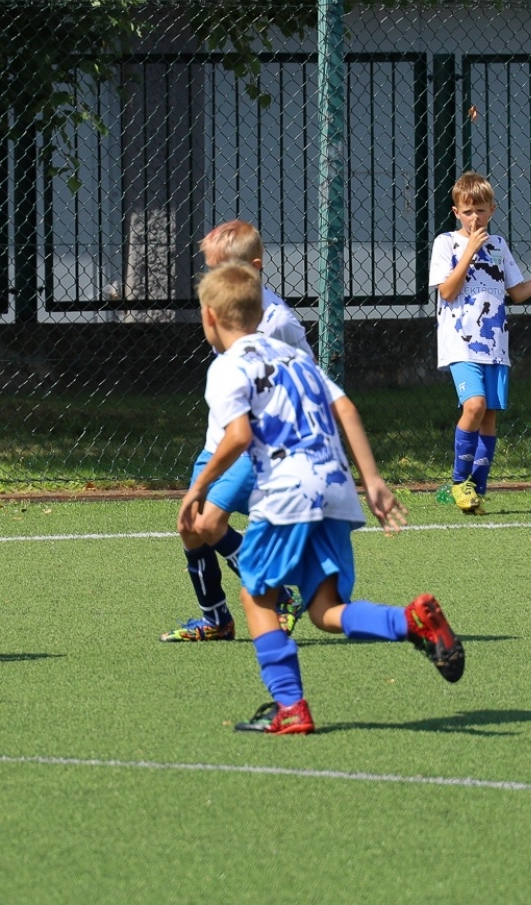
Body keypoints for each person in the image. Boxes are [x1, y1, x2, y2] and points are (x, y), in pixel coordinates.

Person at [180, 262, 464, 735]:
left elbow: (237, 435)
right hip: (335, 487)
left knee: (256, 596)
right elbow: (346, 407)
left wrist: (197, 487)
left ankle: (289, 706)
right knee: (323, 610)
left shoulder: (228, 366)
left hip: (287, 490)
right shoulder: (294, 357)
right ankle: (411, 621)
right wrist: (371, 480)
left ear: (210, 317)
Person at [160, 220, 307, 643]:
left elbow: (308, 380)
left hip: (256, 444)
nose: (210, 282)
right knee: (190, 525)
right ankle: (215, 620)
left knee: (209, 523)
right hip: (220, 439)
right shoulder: (223, 307)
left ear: (254, 268)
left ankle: (279, 593)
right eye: (207, 272)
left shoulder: (277, 321)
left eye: (218, 271)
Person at [431, 171, 531, 515]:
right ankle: (458, 482)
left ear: (492, 210)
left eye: (480, 210)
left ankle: (476, 491)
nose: (474, 217)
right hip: (461, 344)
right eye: (467, 211)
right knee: (474, 406)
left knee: (490, 416)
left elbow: (518, 292)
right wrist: (470, 251)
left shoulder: (498, 246)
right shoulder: (446, 244)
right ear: (456, 212)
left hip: (495, 346)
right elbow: (447, 292)